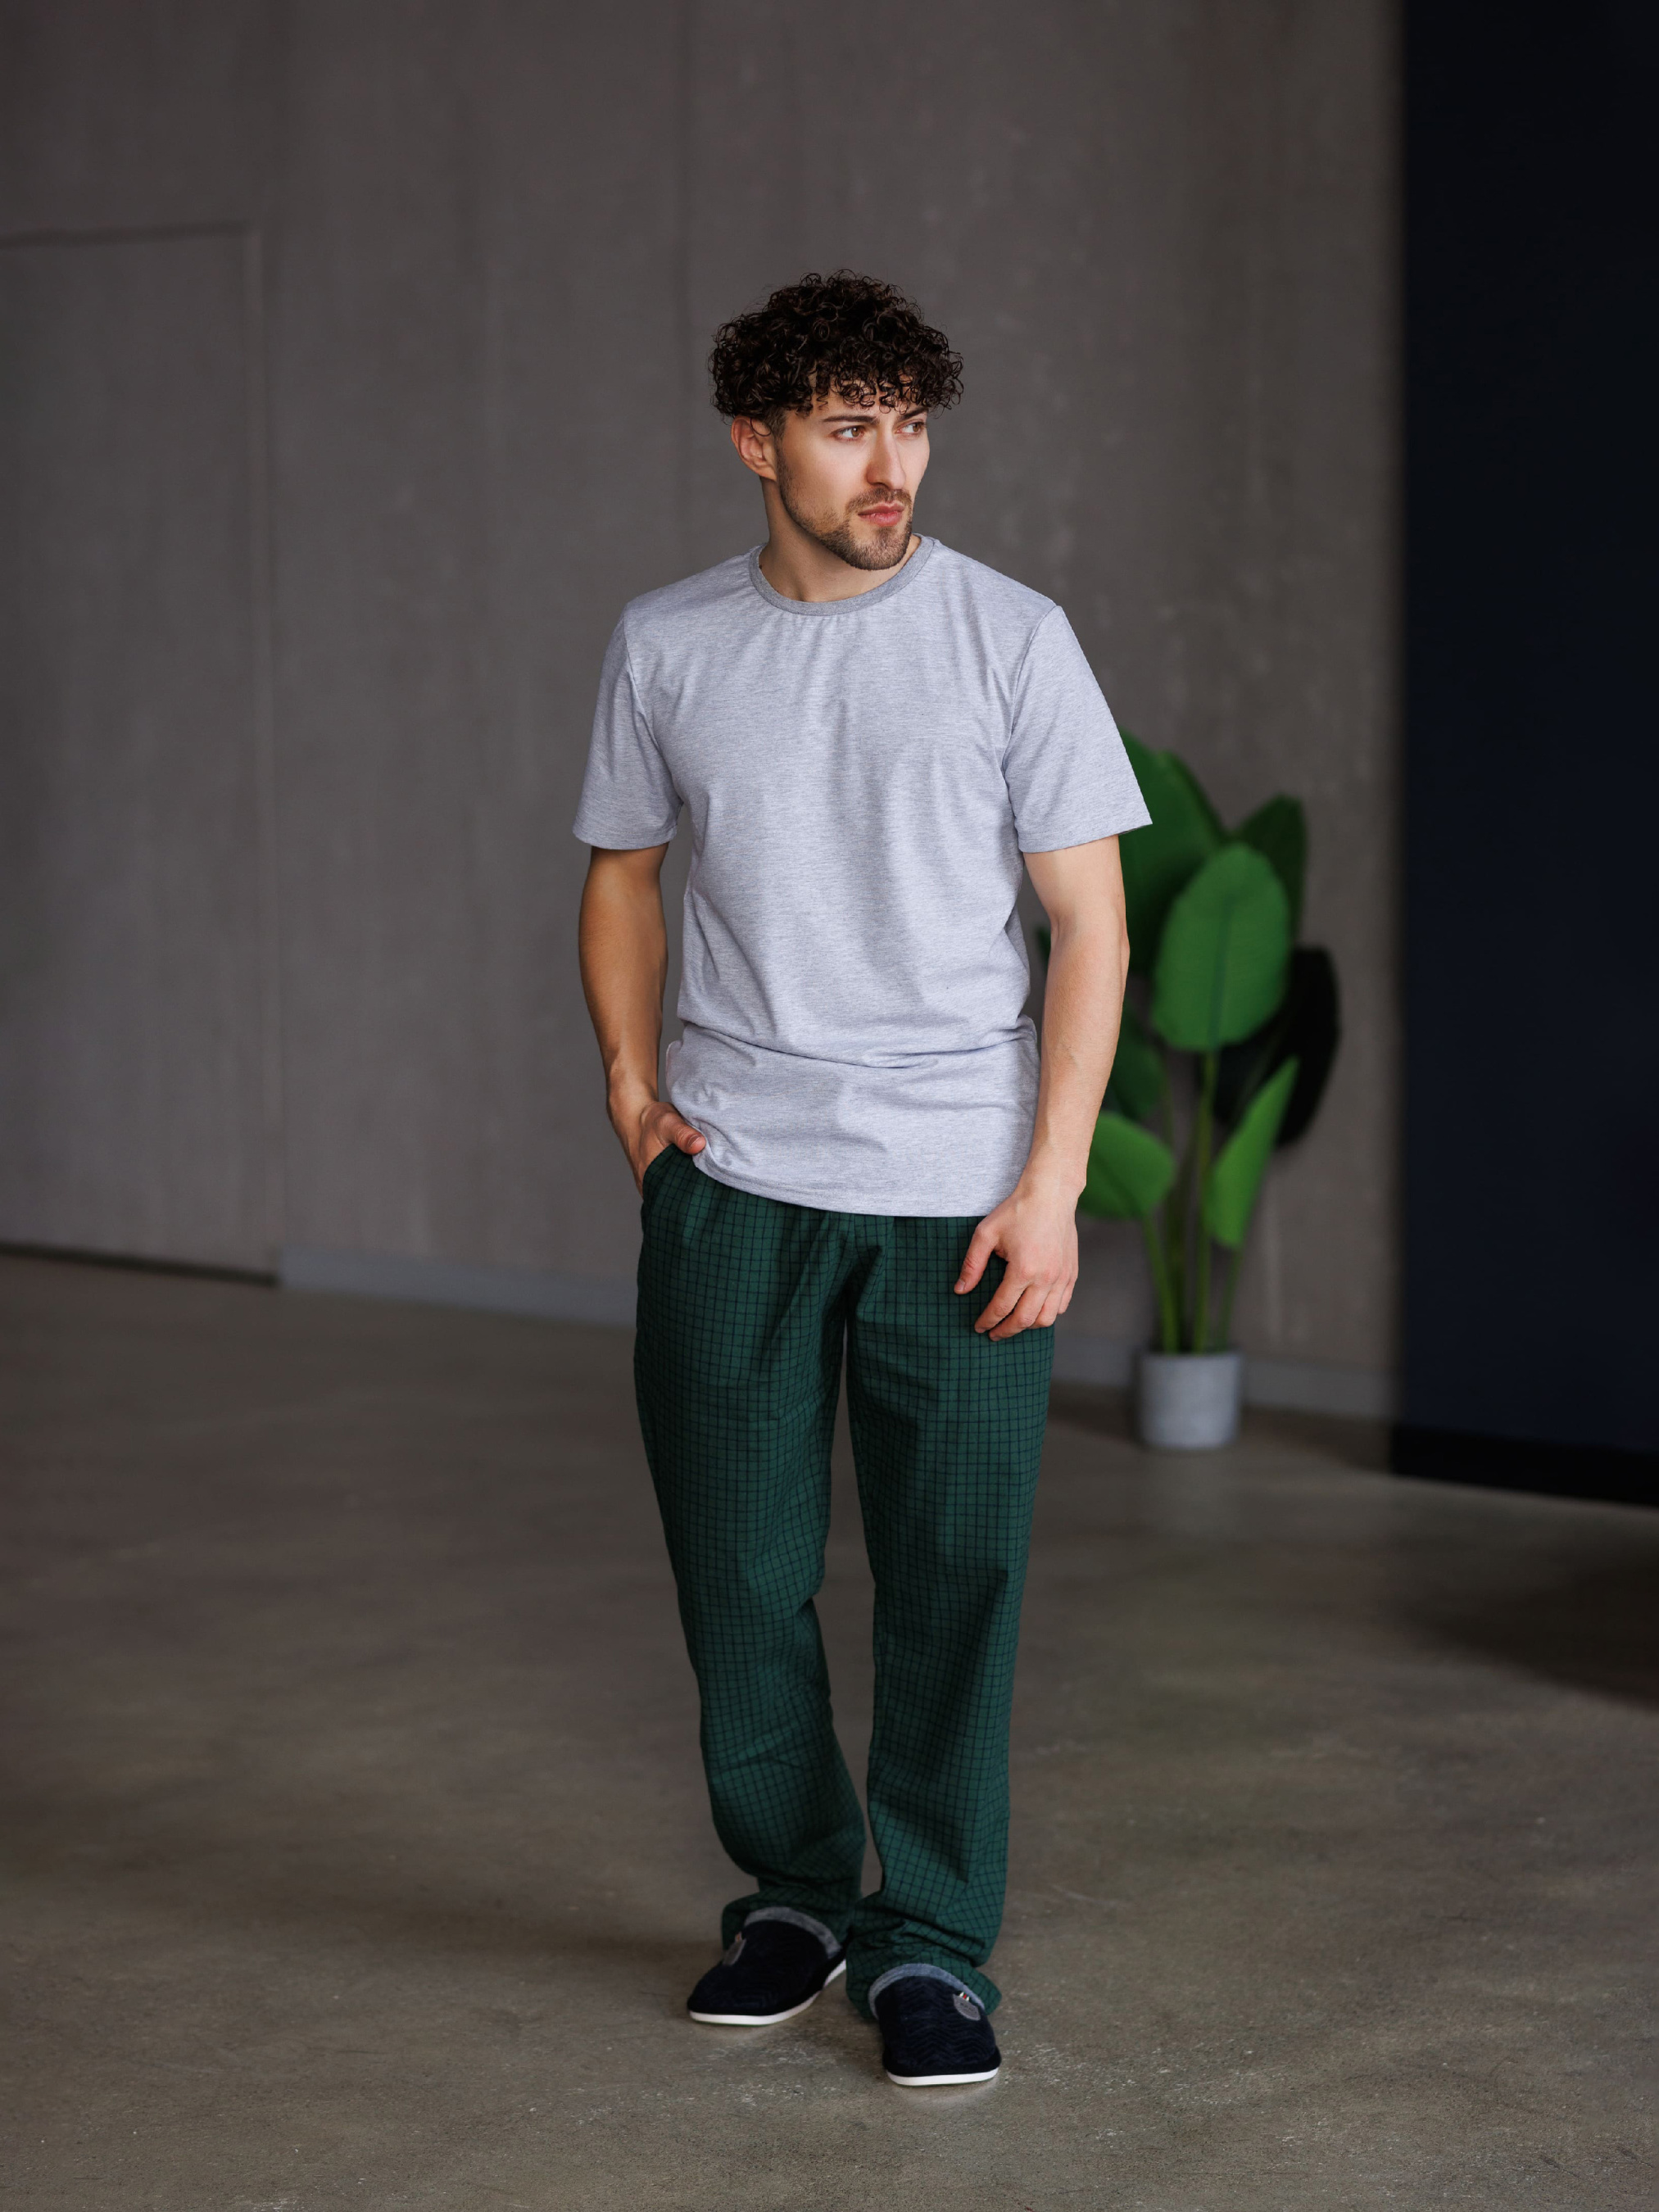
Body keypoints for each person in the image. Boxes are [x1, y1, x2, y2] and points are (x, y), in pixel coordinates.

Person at [575, 270, 1146, 2088]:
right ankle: (796, 1895)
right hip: (734, 1185)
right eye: (846, 427)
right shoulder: (667, 643)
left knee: (951, 1578)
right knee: (738, 1571)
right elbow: (620, 872)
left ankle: (932, 1943)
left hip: (957, 1193)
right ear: (757, 444)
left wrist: (1051, 1183)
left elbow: (1089, 924)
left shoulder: (1010, 636)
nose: (889, 465)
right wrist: (632, 1092)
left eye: (909, 425)